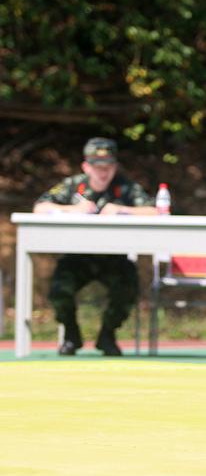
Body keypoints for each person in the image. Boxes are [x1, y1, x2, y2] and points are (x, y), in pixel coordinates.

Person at [33, 137, 158, 356]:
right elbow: (40, 207)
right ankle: (71, 335)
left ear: (114, 166)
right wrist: (73, 210)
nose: (103, 172)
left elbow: (155, 211)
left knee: (128, 285)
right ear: (86, 166)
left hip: (113, 258)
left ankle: (107, 335)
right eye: (97, 166)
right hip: (78, 257)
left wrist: (123, 210)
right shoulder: (74, 185)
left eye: (107, 166)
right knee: (59, 288)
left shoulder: (126, 187)